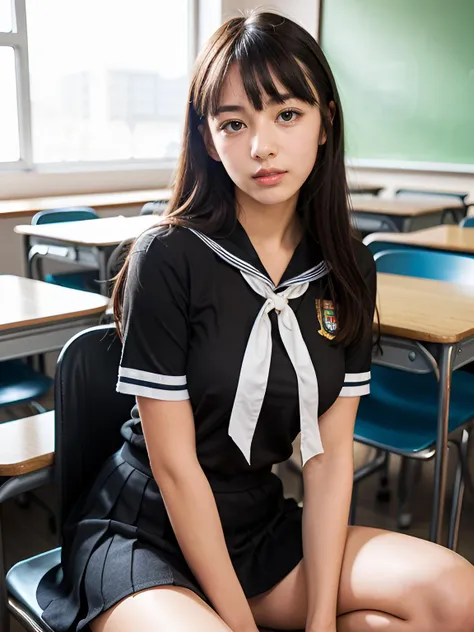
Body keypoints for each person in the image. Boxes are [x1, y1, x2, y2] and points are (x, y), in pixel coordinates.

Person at [38, 11, 474, 632]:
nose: (260, 146)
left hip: (257, 522)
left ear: (325, 121)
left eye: (286, 115)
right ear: (209, 138)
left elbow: (326, 463)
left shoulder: (346, 267)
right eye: (233, 123)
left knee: (455, 593)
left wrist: (321, 619)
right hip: (145, 528)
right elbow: (175, 468)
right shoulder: (167, 256)